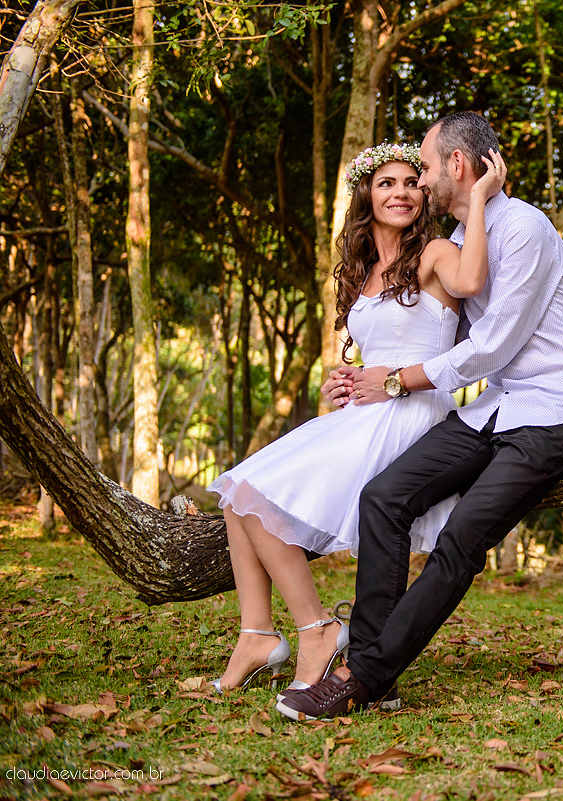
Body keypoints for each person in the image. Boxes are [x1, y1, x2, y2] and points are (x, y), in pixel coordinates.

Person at [277, 112, 563, 721]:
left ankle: (361, 679)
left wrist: (401, 381)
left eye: (425, 168)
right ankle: (378, 668)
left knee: (461, 540)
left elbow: (496, 343)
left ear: (458, 165)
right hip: (495, 407)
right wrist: (360, 372)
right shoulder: (458, 244)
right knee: (383, 498)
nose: (420, 183)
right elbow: (423, 323)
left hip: (556, 410)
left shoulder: (527, 227)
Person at [206, 140, 506, 694]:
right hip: (368, 413)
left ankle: (317, 630)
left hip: (412, 415)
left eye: (411, 183)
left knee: (256, 495)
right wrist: (344, 381)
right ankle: (255, 633)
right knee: (236, 496)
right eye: (386, 183)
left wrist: (483, 196)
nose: (401, 193)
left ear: (425, 193)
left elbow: (470, 284)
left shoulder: (436, 252)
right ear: (366, 194)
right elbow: (374, 353)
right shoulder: (361, 272)